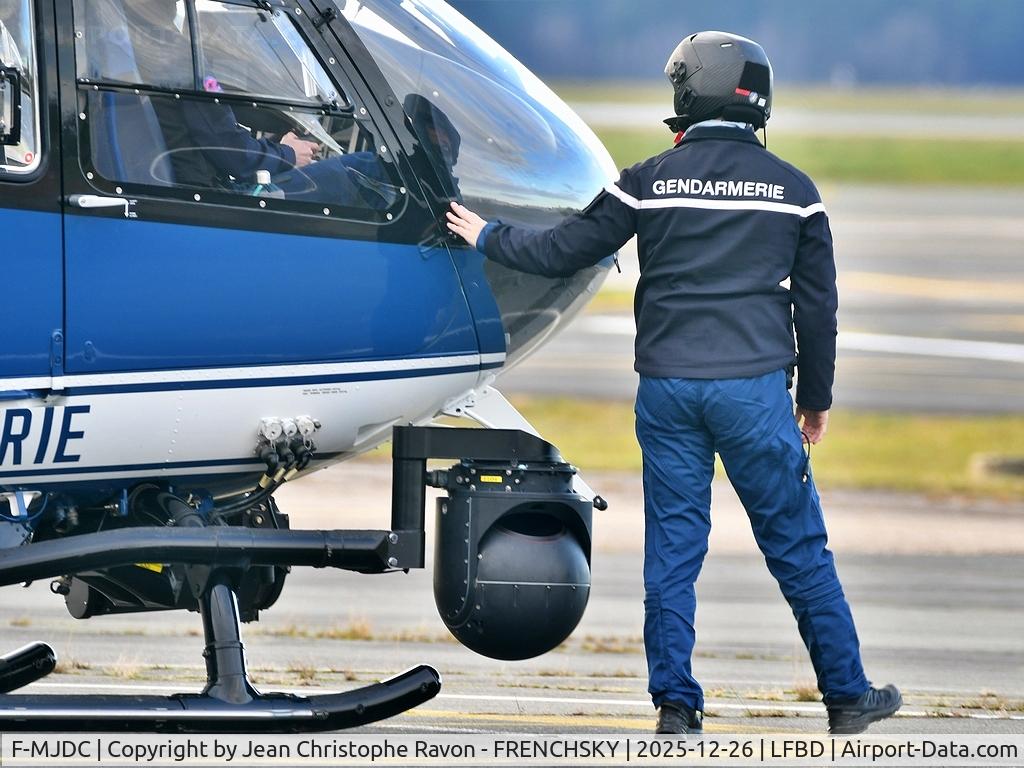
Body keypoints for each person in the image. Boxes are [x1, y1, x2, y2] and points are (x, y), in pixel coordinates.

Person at [446, 31, 901, 736]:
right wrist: (815, 400)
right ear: (756, 100)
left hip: (668, 393)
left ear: (690, 94)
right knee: (798, 549)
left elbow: (561, 249)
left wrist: (486, 237)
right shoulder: (796, 194)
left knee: (674, 553)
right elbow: (818, 311)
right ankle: (847, 698)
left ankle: (677, 708)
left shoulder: (648, 179)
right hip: (752, 394)